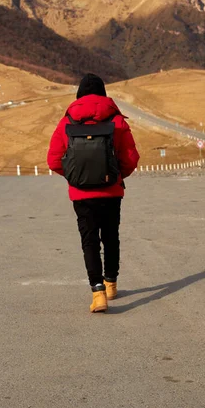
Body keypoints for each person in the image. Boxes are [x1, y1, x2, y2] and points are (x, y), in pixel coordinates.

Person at [47, 73, 140, 313]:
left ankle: (98, 293)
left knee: (89, 240)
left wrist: (75, 177)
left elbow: (53, 160)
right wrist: (117, 177)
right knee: (110, 236)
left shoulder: (67, 121)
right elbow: (131, 158)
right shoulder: (116, 120)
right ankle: (111, 284)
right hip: (111, 191)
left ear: (79, 95)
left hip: (81, 193)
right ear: (103, 94)